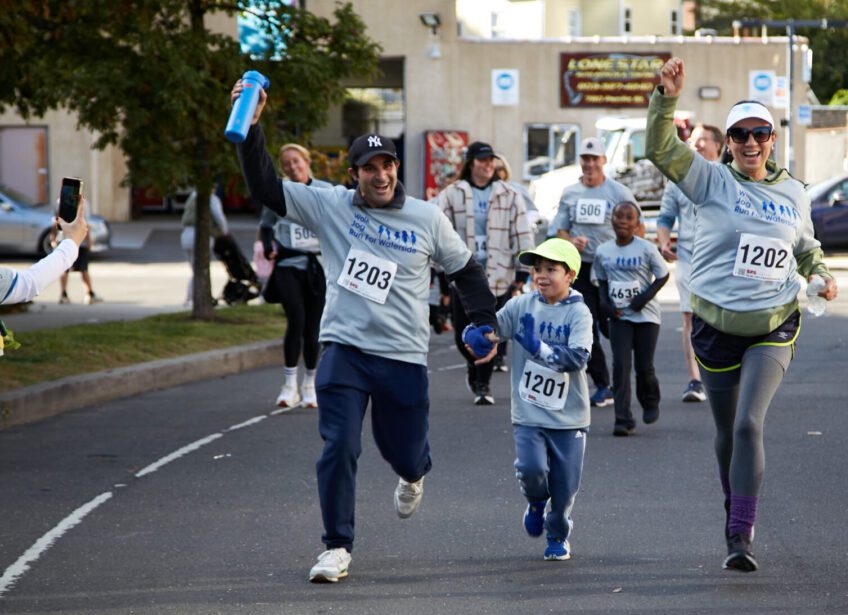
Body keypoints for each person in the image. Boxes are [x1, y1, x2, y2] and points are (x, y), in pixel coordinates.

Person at [231, 80, 497, 584]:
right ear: (353, 174)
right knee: (339, 445)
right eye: (370, 168)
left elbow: (466, 272)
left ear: (397, 169)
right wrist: (251, 125)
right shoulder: (330, 205)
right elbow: (266, 186)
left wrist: (483, 321)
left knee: (404, 452)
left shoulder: (426, 218)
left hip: (402, 357)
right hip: (345, 350)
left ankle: (414, 472)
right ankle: (336, 545)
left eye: (388, 165)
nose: (381, 175)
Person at [645, 57, 838, 572]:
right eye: (739, 135)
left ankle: (740, 533)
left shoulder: (794, 192)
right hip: (715, 327)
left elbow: (806, 249)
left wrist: (822, 273)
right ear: (727, 142)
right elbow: (660, 149)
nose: (751, 143)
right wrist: (665, 98)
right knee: (727, 432)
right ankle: (736, 504)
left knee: (750, 425)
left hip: (773, 325)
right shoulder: (710, 180)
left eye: (760, 134)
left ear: (773, 139)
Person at [482, 238, 592, 561]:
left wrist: (538, 348)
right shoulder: (521, 305)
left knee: (565, 487)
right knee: (532, 469)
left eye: (551, 269)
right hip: (529, 410)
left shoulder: (579, 313)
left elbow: (578, 358)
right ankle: (534, 500)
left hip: (569, 415)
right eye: (537, 268)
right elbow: (495, 329)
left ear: (570, 275)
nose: (541, 275)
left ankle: (557, 533)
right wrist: (475, 336)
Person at [434, 141, 534, 404]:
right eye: (482, 160)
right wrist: (439, 273)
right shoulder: (452, 193)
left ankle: (483, 384)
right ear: (471, 163)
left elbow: (523, 233)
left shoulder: (510, 195)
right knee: (460, 333)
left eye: (491, 160)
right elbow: (436, 228)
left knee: (492, 330)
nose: (488, 165)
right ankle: (474, 365)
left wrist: (522, 274)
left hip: (499, 275)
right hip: (462, 275)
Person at [551, 137, 638, 408]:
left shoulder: (619, 192)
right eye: (585, 159)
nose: (589, 164)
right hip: (581, 267)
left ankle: (625, 375)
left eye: (594, 159)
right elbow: (560, 230)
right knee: (584, 326)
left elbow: (640, 229)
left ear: (604, 160)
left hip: (613, 269)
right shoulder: (570, 192)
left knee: (612, 326)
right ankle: (603, 384)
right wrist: (570, 242)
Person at [258, 143, 331, 408]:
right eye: (287, 163)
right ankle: (289, 385)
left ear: (307, 161)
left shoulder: (326, 191)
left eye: (296, 161)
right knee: (296, 321)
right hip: (289, 265)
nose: (292, 166)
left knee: (313, 329)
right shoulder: (279, 192)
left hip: (319, 269)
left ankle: (309, 384)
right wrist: (268, 246)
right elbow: (266, 226)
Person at [656, 123, 724, 403]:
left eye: (703, 140)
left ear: (718, 146)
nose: (696, 145)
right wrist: (662, 242)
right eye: (693, 140)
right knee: (690, 318)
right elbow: (665, 218)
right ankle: (695, 380)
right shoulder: (678, 179)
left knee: (722, 319)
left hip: (722, 261)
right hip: (688, 259)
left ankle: (720, 374)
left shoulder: (729, 177)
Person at [593, 201, 669, 436]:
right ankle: (622, 419)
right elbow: (601, 280)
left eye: (629, 217)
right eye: (619, 216)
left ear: (637, 224)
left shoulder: (646, 248)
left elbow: (663, 275)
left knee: (644, 367)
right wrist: (605, 304)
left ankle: (650, 400)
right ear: (612, 221)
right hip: (620, 316)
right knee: (620, 366)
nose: (623, 221)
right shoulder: (603, 251)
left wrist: (642, 299)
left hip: (646, 316)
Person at [1, 197, 89, 306]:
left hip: (67, 243)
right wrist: (72, 242)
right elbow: (27, 285)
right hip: (67, 242)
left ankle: (83, 293)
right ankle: (66, 294)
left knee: (82, 270)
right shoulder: (58, 208)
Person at [180, 189, 229, 305]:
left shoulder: (192, 196)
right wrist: (225, 232)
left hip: (185, 235)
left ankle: (191, 297)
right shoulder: (210, 198)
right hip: (201, 235)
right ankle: (192, 298)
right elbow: (219, 217)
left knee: (195, 267)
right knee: (199, 268)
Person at [52, 206, 101, 305]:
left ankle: (85, 294)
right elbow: (84, 224)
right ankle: (70, 294)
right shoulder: (77, 203)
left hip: (69, 242)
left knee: (77, 269)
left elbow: (55, 223)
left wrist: (53, 239)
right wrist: (88, 240)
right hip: (75, 242)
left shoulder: (63, 202)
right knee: (80, 269)